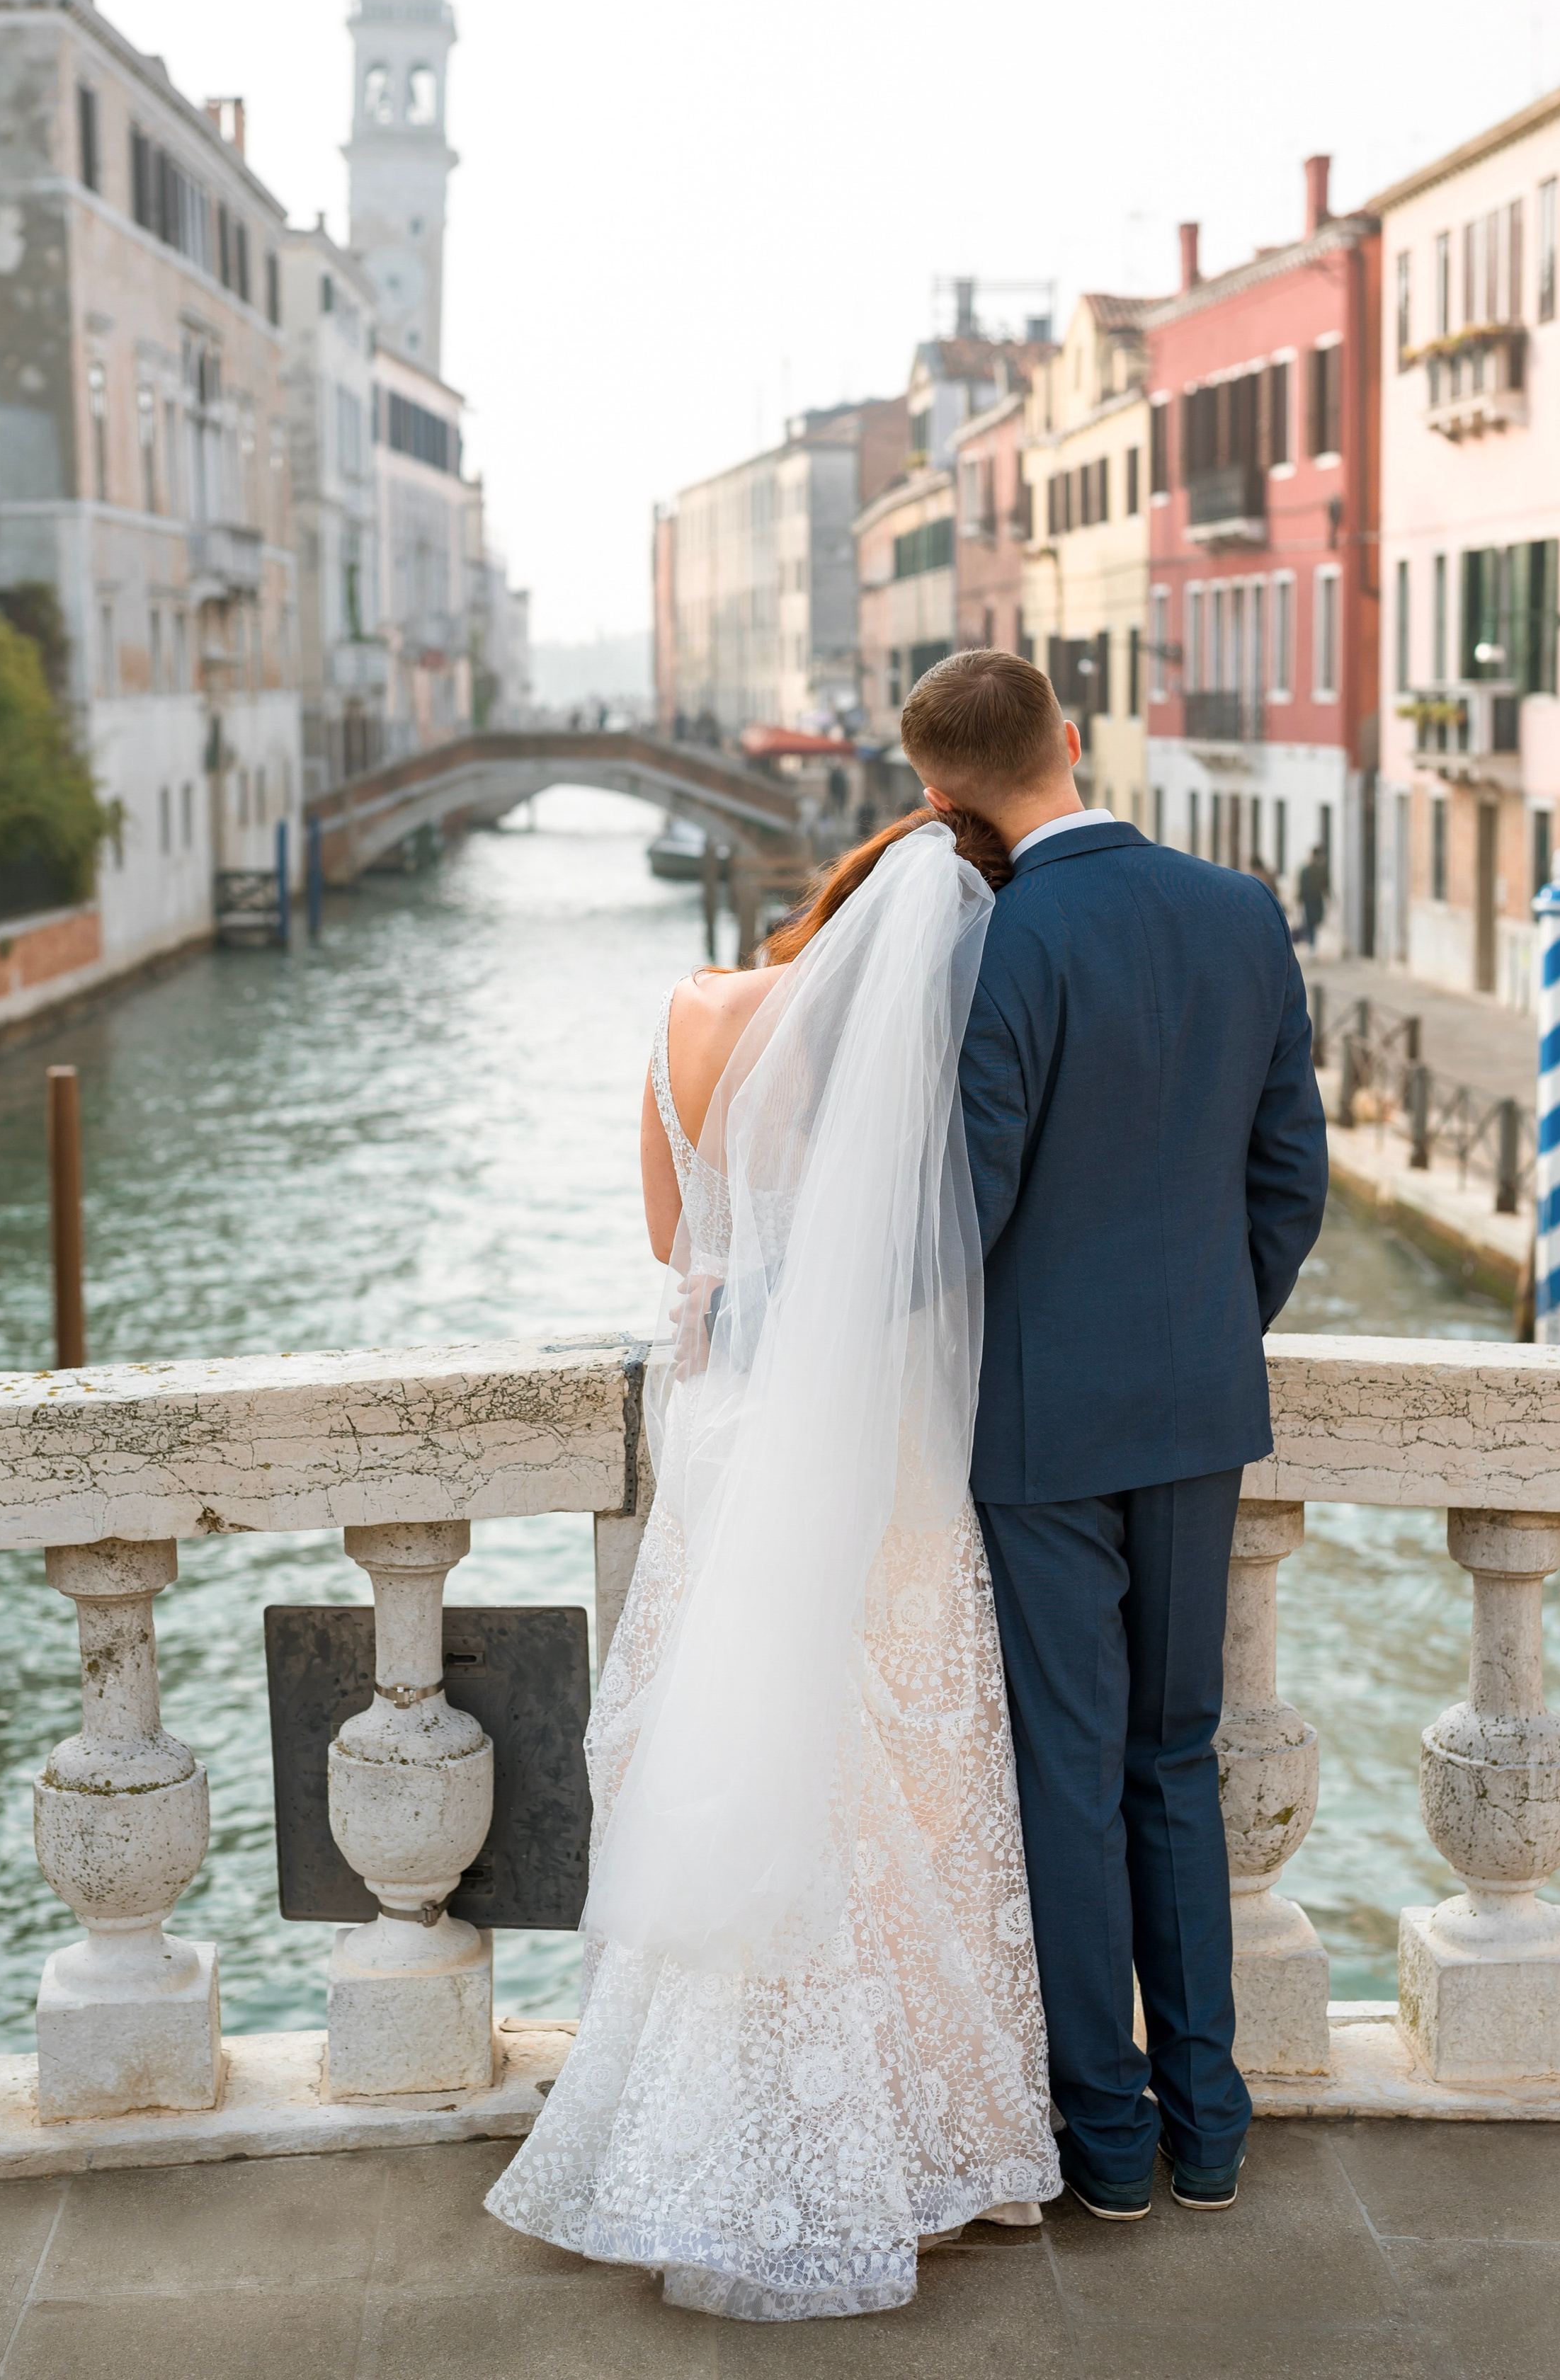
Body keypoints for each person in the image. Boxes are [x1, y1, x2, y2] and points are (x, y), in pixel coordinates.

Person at [486, 791, 1061, 2318]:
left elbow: (672, 1240)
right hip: (878, 1438)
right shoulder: (921, 1063)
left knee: (723, 1733)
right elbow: (950, 1255)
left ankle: (702, 2123)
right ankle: (918, 2130)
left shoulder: (691, 1007)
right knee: (893, 1775)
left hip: (725, 1424)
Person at [905, 650, 1326, 2224]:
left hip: (1039, 1427)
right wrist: (1211, 1325)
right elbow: (1288, 1177)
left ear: (945, 804)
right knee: (1175, 1754)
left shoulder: (1005, 942)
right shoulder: (1237, 911)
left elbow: (968, 1210)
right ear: (1073, 744)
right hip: (1199, 1408)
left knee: (1069, 1773)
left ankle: (1106, 2144)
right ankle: (1206, 2124)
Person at [1296, 842, 1328, 947]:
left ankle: (1311, 944)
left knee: (1312, 923)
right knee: (1311, 924)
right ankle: (1311, 945)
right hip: (1311, 900)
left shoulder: (1316, 869)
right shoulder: (1307, 870)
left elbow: (1325, 885)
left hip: (1315, 900)